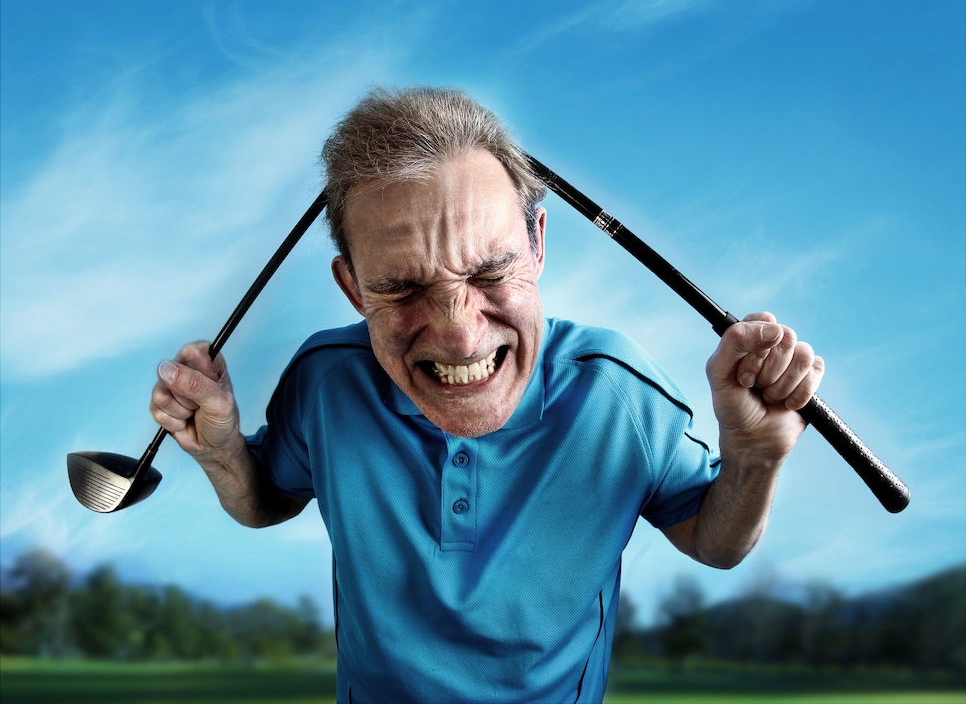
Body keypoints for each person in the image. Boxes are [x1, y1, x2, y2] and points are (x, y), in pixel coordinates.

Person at [150, 87, 823, 703]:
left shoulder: (619, 391)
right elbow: (268, 498)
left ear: (536, 243)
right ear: (353, 289)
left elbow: (715, 541)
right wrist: (222, 454)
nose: (460, 336)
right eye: (403, 290)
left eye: (490, 271)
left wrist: (754, 456)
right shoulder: (326, 381)